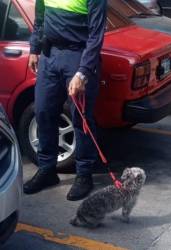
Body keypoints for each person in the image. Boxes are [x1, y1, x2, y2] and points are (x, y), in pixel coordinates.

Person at [24, 0, 107, 201]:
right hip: (49, 55)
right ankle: (47, 170)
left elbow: (96, 35)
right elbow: (41, 18)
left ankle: (84, 174)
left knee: (81, 119)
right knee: (43, 112)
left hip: (78, 56)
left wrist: (83, 72)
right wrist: (35, 48)